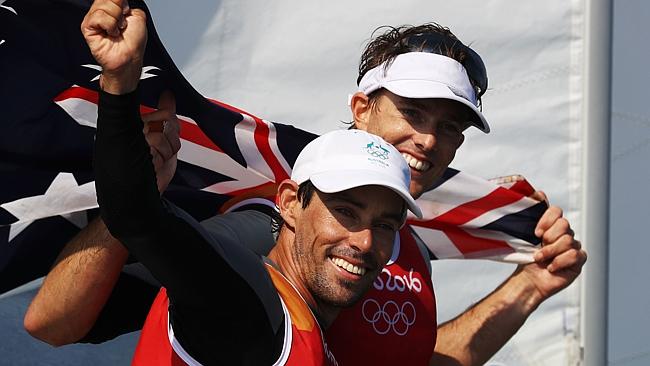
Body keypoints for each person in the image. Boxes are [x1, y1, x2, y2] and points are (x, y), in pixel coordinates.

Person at [24, 1, 587, 365]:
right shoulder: (262, 228)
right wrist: (134, 176)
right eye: (413, 114)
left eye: (449, 128)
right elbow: (52, 322)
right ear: (361, 108)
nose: (428, 141)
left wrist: (530, 286)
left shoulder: (396, 242)